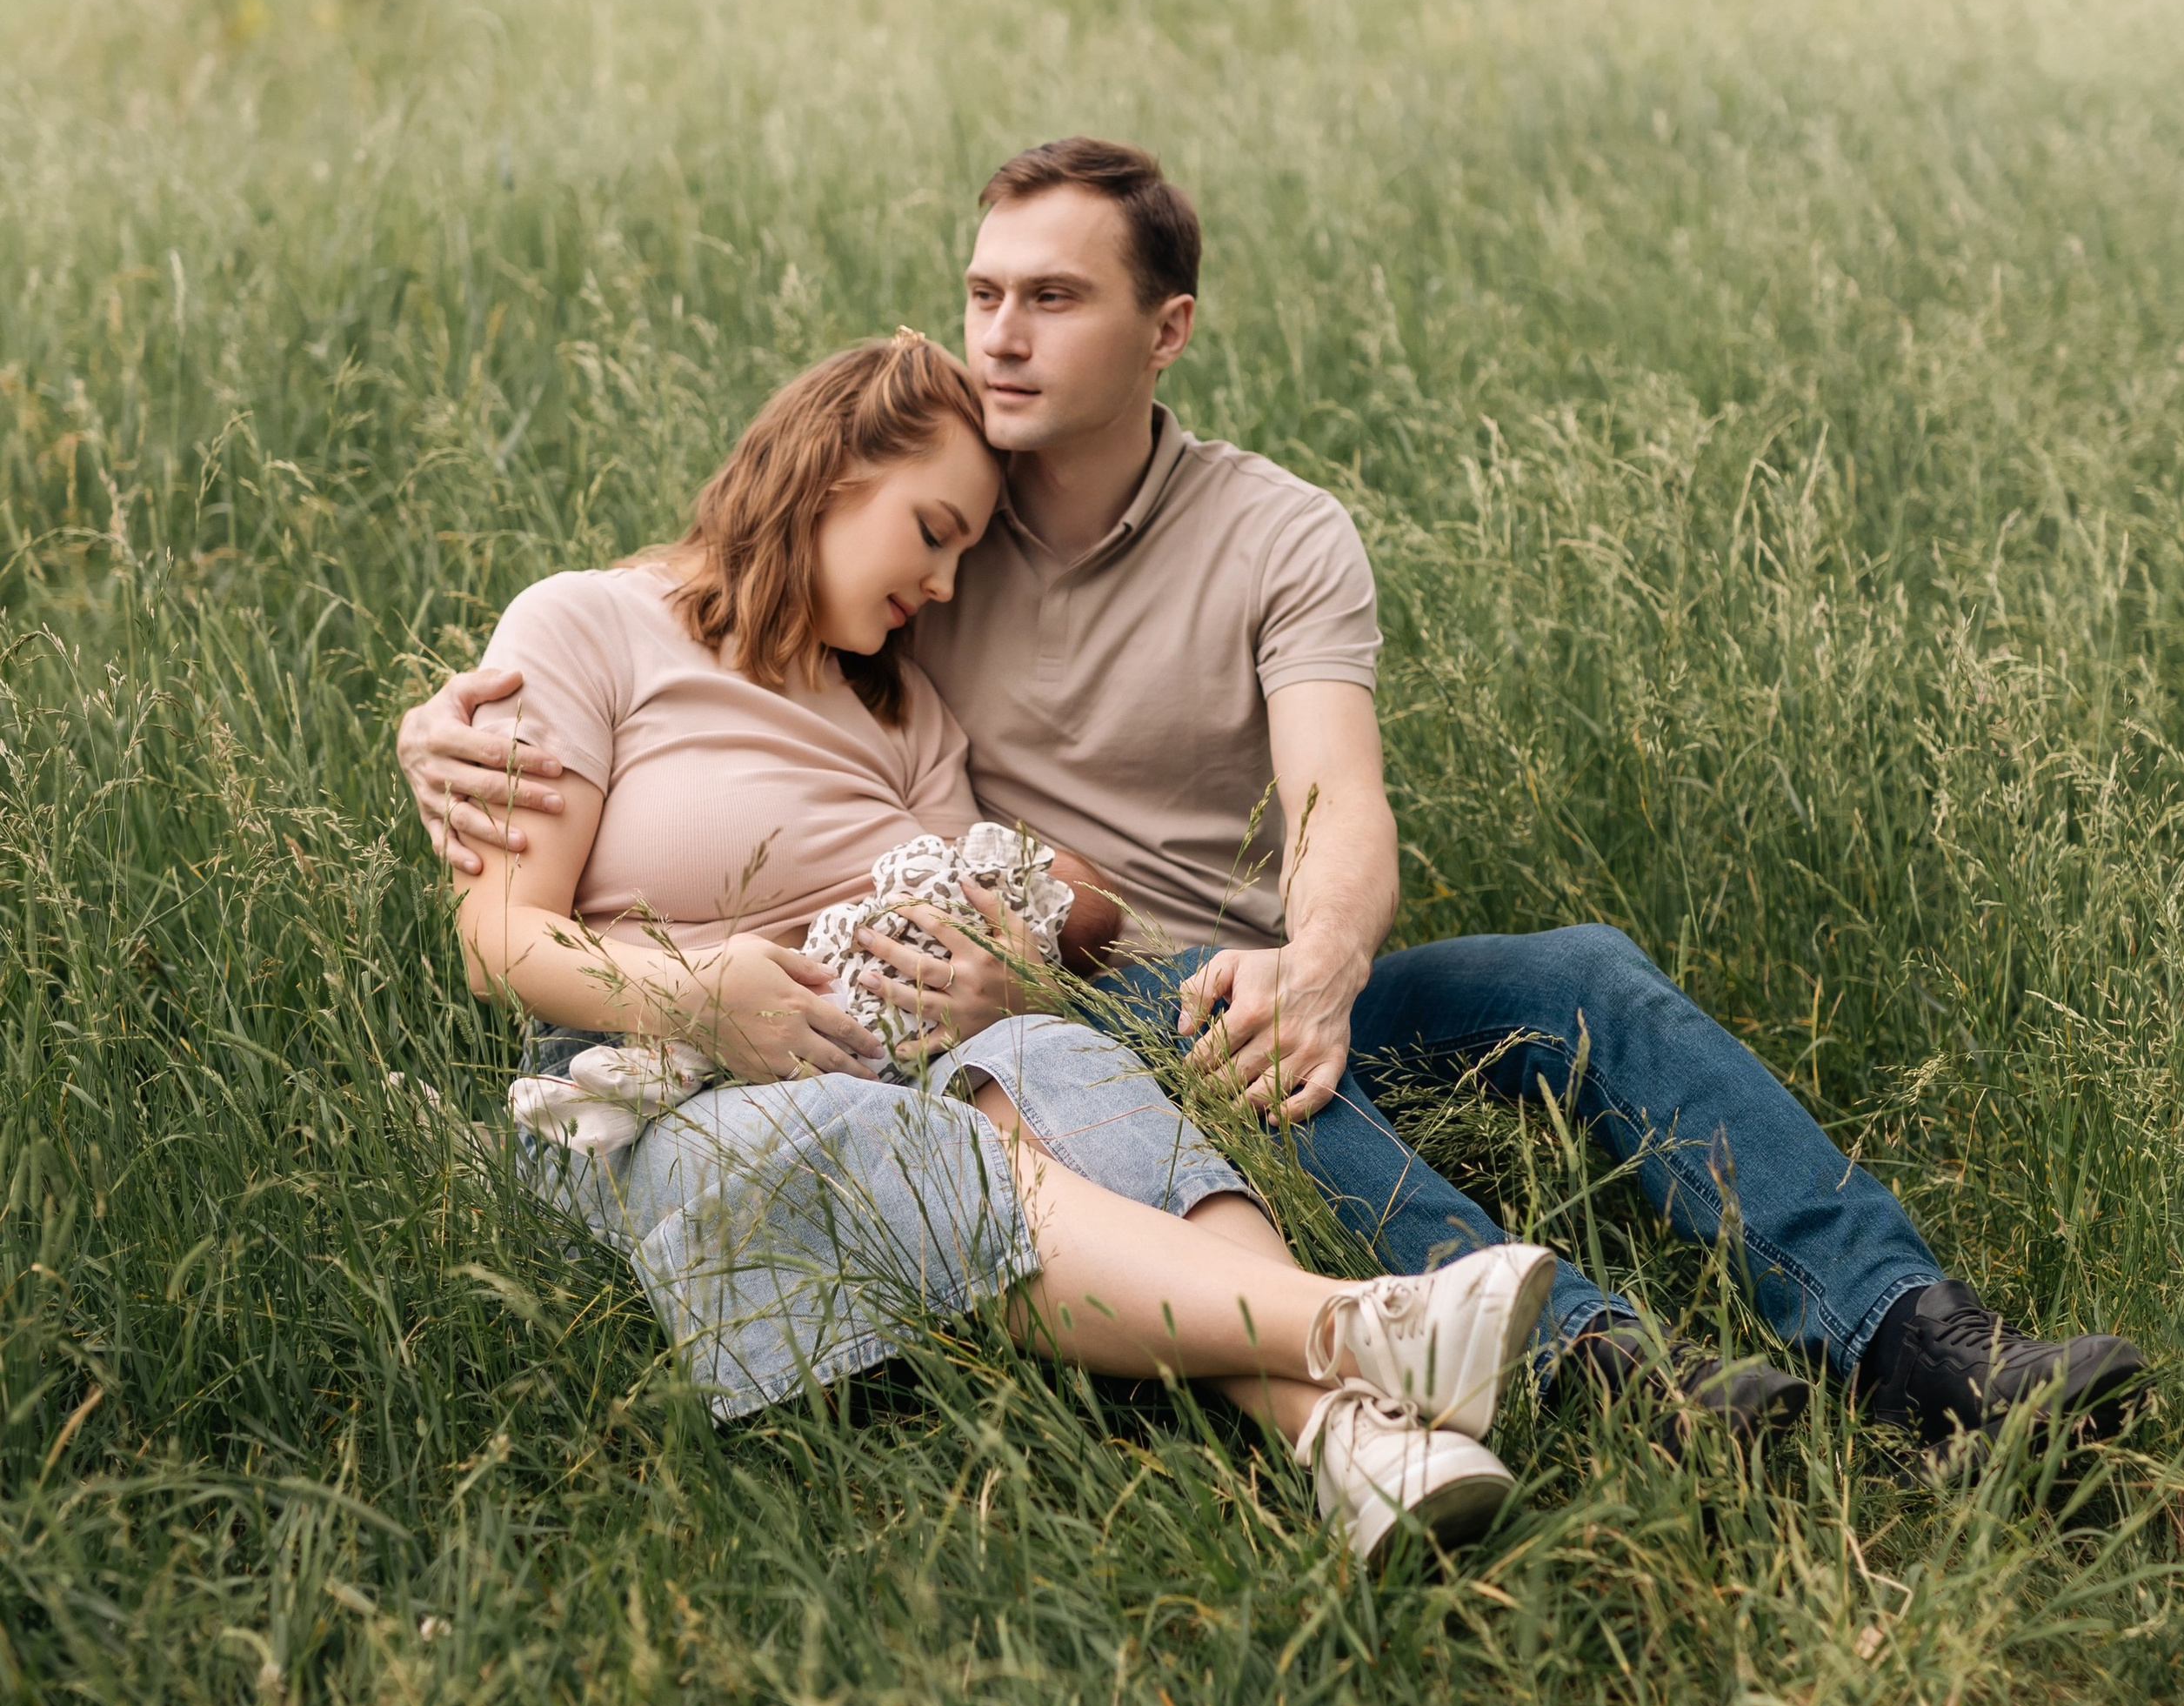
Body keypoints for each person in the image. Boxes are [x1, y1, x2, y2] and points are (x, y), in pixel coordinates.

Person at [403, 142, 2147, 1471]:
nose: (999, 337)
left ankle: (1918, 1343)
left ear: (1164, 331)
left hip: (1232, 969)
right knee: (1196, 1007)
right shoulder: (926, 528)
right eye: (983, 293)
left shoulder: (1271, 532)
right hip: (1057, 985)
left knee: (1578, 976)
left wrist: (1316, 957)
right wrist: (451, 728)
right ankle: (1588, 1371)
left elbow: (1337, 799)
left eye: (1054, 301)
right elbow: (710, 607)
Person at [449, 325, 1561, 1568]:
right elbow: (497, 938)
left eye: (966, 554)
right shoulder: (586, 628)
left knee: (1061, 1059)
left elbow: (1025, 887)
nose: (940, 584)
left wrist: (1005, 965)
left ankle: (1356, 1447)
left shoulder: (905, 709)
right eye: (933, 532)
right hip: (663, 1090)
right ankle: (1359, 1330)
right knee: (896, 1139)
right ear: (828, 470)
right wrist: (700, 991)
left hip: (887, 1045)